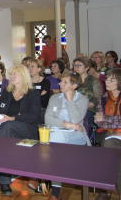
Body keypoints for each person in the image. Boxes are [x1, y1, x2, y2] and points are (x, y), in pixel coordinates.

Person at [0, 65, 41, 196]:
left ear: (23, 76)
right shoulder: (6, 92)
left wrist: (13, 118)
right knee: (4, 130)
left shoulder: (33, 93)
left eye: (15, 74)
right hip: (6, 129)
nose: (11, 77)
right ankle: (4, 181)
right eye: (10, 74)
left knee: (6, 127)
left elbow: (35, 117)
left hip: (27, 129)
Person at [44, 73, 90, 200]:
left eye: (64, 82)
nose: (60, 84)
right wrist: (68, 125)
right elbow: (47, 119)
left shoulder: (83, 99)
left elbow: (76, 118)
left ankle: (54, 189)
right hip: (58, 132)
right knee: (54, 140)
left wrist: (69, 100)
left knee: (51, 142)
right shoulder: (55, 98)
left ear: (74, 86)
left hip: (76, 135)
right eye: (61, 81)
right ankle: (54, 188)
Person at [94, 68, 121, 200]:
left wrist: (105, 119)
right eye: (107, 79)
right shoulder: (103, 99)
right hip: (112, 136)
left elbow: (103, 120)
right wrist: (108, 121)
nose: (107, 82)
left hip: (113, 133)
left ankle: (104, 192)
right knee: (110, 151)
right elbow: (99, 123)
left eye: (112, 80)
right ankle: (105, 190)